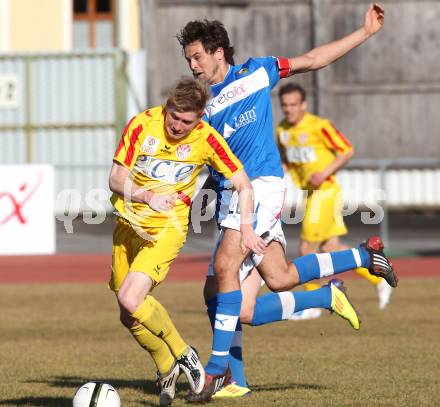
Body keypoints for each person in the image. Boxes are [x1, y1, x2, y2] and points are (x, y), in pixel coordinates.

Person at [177, 4, 398, 402]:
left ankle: (215, 373)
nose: (192, 65)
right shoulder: (204, 110)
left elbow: (313, 59)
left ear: (217, 52)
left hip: (262, 187)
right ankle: (354, 265)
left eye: (196, 56)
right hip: (232, 198)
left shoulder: (258, 71)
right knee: (251, 288)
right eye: (188, 59)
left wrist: (364, 33)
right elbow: (203, 166)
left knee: (226, 266)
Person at [108, 77, 266, 406]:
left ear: (199, 118)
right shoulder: (141, 124)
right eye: (174, 117)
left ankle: (185, 355)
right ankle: (166, 367)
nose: (178, 126)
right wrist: (145, 195)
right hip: (129, 225)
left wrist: (247, 228)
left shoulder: (206, 138)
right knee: (128, 314)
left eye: (186, 121)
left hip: (168, 225)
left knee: (130, 296)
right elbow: (115, 178)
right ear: (167, 108)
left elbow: (243, 181)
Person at [276, 82, 393, 316]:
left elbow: (347, 150)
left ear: (304, 105)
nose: (289, 109)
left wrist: (325, 171)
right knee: (331, 247)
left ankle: (310, 306)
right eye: (284, 105)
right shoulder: (281, 129)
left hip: (326, 192)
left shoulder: (320, 126)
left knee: (306, 247)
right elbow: (286, 158)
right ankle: (378, 277)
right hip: (309, 193)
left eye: (293, 104)